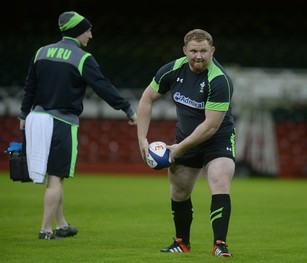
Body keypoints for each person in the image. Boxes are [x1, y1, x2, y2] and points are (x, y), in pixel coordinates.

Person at [18, 11, 137, 240]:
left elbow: (29, 87)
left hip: (35, 119)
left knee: (55, 176)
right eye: (88, 30)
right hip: (62, 122)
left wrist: (23, 115)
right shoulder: (82, 58)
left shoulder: (41, 52)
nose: (90, 35)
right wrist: (126, 109)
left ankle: (61, 225)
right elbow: (102, 86)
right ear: (77, 31)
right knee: (56, 178)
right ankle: (45, 230)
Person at [137, 29, 235, 257]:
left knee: (219, 179)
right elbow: (147, 98)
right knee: (179, 189)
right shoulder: (172, 70)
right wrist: (142, 139)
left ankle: (220, 244)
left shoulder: (219, 80)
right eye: (193, 51)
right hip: (186, 137)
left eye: (203, 51)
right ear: (185, 51)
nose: (198, 56)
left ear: (212, 51)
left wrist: (178, 149)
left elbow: (211, 126)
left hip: (218, 139)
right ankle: (182, 243)